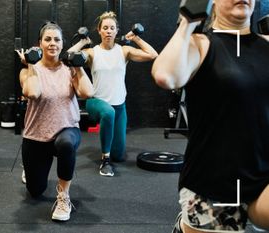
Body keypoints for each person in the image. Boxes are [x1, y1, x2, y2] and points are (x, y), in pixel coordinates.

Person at [151, 0, 269, 232]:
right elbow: (166, 76)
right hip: (213, 181)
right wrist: (188, 20)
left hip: (262, 176)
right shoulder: (200, 44)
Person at [16, 22, 94, 221]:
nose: (52, 43)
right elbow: (32, 92)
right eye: (47, 39)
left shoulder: (69, 69)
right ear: (39, 43)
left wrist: (78, 66)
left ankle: (63, 196)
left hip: (66, 129)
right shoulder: (27, 71)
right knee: (35, 191)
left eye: (57, 39)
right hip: (36, 136)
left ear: (62, 44)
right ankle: (31, 171)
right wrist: (31, 63)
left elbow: (87, 92)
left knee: (66, 144)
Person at [69, 11, 158, 176]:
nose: (108, 31)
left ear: (117, 31)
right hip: (96, 102)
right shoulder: (92, 53)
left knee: (119, 156)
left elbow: (153, 54)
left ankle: (112, 156)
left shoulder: (124, 51)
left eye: (112, 28)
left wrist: (135, 38)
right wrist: (83, 42)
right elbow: (68, 56)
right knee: (107, 113)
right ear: (99, 31)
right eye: (105, 28)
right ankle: (105, 161)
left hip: (119, 106)